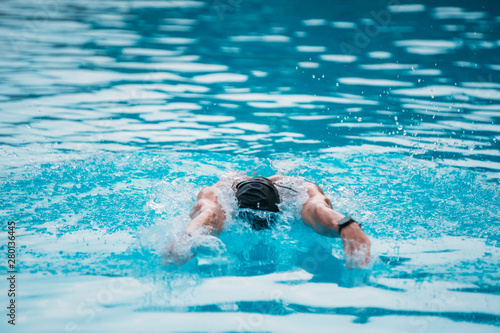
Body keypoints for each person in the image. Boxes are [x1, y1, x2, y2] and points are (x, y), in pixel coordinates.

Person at [163, 174, 371, 269]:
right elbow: (317, 209)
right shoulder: (222, 190)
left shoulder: (296, 191)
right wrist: (346, 224)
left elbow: (209, 214)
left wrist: (187, 236)